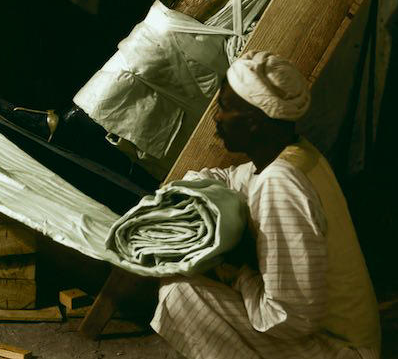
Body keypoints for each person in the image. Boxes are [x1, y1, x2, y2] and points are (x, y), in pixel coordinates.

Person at [153, 51, 381, 359]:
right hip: (339, 342)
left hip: (340, 350)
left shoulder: (280, 183)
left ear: (254, 123)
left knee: (179, 295)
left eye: (224, 108)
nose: (217, 117)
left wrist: (238, 273)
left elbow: (291, 318)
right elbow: (228, 178)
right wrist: (183, 194)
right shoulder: (298, 154)